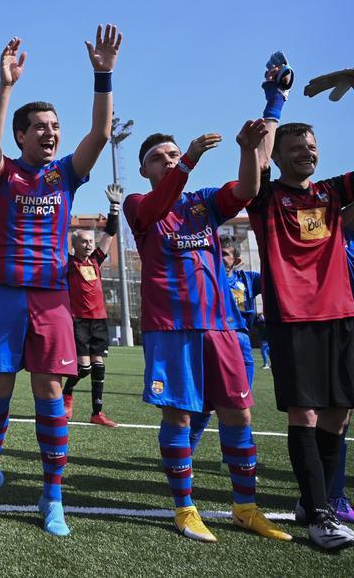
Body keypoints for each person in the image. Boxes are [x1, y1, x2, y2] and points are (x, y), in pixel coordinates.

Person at [0, 27, 121, 537]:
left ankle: (52, 494)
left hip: (52, 298)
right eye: (41, 127)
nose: (51, 133)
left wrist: (103, 74)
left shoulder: (65, 177)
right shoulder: (2, 172)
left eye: (55, 126)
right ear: (22, 136)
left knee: (50, 390)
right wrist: (4, 84)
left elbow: (99, 135)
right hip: (1, 295)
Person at [124, 119, 288, 543]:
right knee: (178, 415)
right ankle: (184, 508)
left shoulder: (202, 202)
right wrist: (191, 160)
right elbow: (153, 208)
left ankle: (245, 507)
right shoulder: (138, 202)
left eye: (174, 155)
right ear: (145, 170)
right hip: (171, 327)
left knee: (239, 413)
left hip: (222, 326)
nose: (169, 161)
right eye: (159, 158)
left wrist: (249, 150)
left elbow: (247, 191)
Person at [247, 59, 354, 549]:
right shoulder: (266, 198)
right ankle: (319, 515)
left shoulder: (331, 194)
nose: (307, 152)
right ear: (282, 156)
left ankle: (316, 502)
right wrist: (275, 100)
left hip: (341, 315)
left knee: (338, 414)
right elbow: (259, 156)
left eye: (312, 146)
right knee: (305, 416)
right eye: (297, 147)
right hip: (293, 319)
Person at [188, 235, 264, 449]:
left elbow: (278, 276)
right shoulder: (200, 277)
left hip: (241, 345)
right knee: (205, 407)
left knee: (238, 407)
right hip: (211, 343)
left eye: (226, 254)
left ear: (236, 261)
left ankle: (232, 457)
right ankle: (186, 452)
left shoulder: (248, 279)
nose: (220, 257)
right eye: (216, 252)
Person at [61, 186, 122, 427]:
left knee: (98, 366)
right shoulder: (68, 263)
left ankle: (97, 413)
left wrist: (114, 208)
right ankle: (67, 394)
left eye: (90, 241)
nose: (88, 245)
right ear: (74, 244)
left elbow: (109, 232)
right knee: (83, 368)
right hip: (78, 320)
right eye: (84, 242)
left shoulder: (96, 259)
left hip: (100, 319)